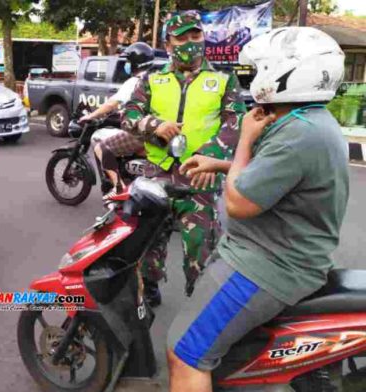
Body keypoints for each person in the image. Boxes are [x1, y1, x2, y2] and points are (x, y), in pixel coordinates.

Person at [166, 26, 348, 392]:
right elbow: (275, 173)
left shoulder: (298, 134)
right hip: (282, 256)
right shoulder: (306, 122)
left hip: (266, 265)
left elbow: (238, 203)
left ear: (285, 72)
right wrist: (217, 164)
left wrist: (246, 136)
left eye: (259, 67)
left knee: (185, 352)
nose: (252, 76)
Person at [115, 11, 246, 306]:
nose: (190, 43)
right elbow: (128, 114)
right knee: (148, 241)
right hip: (157, 175)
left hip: (200, 180)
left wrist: (208, 156)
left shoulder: (223, 79)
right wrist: (153, 126)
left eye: (195, 36)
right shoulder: (152, 79)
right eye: (182, 37)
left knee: (201, 248)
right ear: (168, 43)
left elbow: (235, 123)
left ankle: (199, 304)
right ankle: (148, 288)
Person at [77, 42, 155, 194]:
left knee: (101, 146)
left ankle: (119, 188)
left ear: (134, 63)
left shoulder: (135, 81)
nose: (126, 65)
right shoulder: (157, 79)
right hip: (157, 129)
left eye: (127, 62)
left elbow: (111, 104)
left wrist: (90, 116)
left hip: (142, 132)